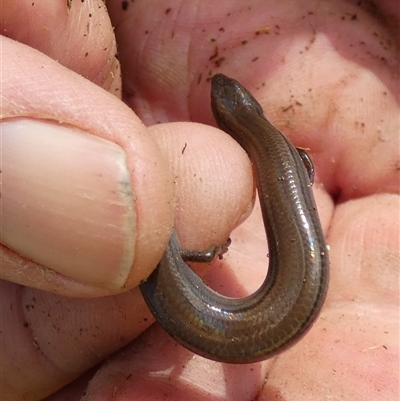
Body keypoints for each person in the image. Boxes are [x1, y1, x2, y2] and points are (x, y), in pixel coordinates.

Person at [1, 1, 398, 400]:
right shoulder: (278, 154)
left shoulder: (273, 156)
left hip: (196, 293)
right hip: (197, 290)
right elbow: (303, 167)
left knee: (148, 230)